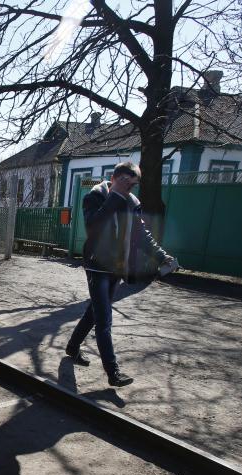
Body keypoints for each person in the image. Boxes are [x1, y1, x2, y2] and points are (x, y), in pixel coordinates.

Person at [64, 161, 178, 387]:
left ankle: (72, 347)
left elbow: (140, 234)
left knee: (94, 312)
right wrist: (115, 197)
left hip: (117, 267)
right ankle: (113, 373)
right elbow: (93, 227)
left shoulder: (132, 202)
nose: (130, 190)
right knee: (104, 320)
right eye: (126, 184)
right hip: (97, 266)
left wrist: (161, 255)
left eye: (133, 185)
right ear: (114, 178)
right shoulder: (94, 196)